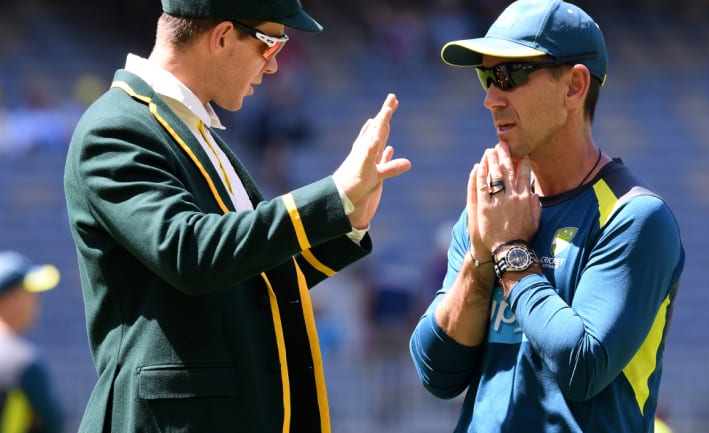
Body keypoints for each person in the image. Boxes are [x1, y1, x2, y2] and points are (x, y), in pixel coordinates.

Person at [62, 1, 410, 432]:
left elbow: (250, 275)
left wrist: (346, 222)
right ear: (223, 36)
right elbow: (188, 252)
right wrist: (331, 196)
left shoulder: (191, 128)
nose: (274, 67)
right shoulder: (116, 126)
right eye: (271, 45)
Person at [409, 1, 685, 432]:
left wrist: (509, 252)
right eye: (486, 76)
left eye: (508, 75)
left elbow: (582, 366)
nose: (490, 98)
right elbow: (437, 373)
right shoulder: (489, 210)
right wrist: (479, 266)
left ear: (574, 87)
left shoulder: (635, 218)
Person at [0, 251, 63, 433]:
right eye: (31, 294)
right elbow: (52, 425)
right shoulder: (22, 362)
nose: (37, 302)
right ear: (12, 298)